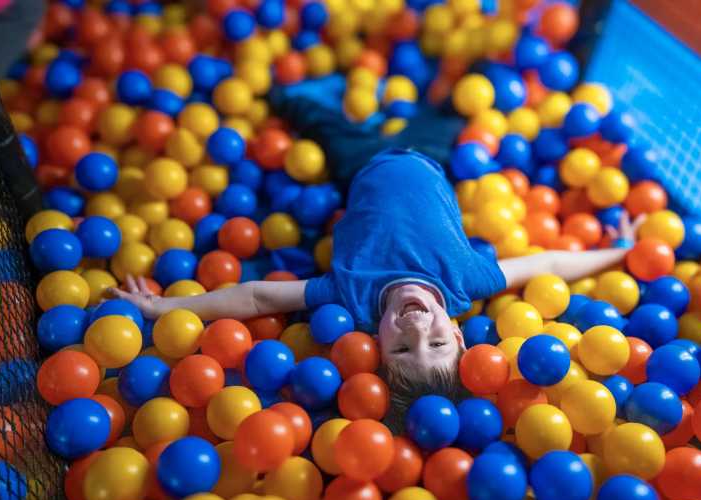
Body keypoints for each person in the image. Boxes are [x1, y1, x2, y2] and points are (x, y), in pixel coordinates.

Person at [111, 148, 639, 427]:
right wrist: (620, 252)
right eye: (434, 341)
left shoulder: (350, 296)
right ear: (457, 333)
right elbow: (548, 261)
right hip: (431, 160)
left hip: (361, 166)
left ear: (375, 341)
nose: (416, 326)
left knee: (322, 121)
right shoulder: (465, 281)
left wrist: (163, 307)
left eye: (402, 346)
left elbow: (255, 297)